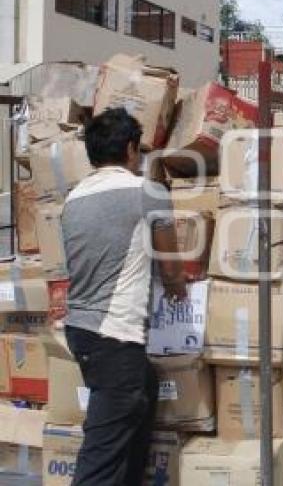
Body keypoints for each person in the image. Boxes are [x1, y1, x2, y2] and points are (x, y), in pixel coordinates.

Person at [61, 107, 187, 486]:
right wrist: (181, 289)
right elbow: (170, 267)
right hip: (115, 336)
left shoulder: (74, 198)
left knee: (141, 397)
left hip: (81, 330)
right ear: (132, 149)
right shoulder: (147, 192)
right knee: (101, 458)